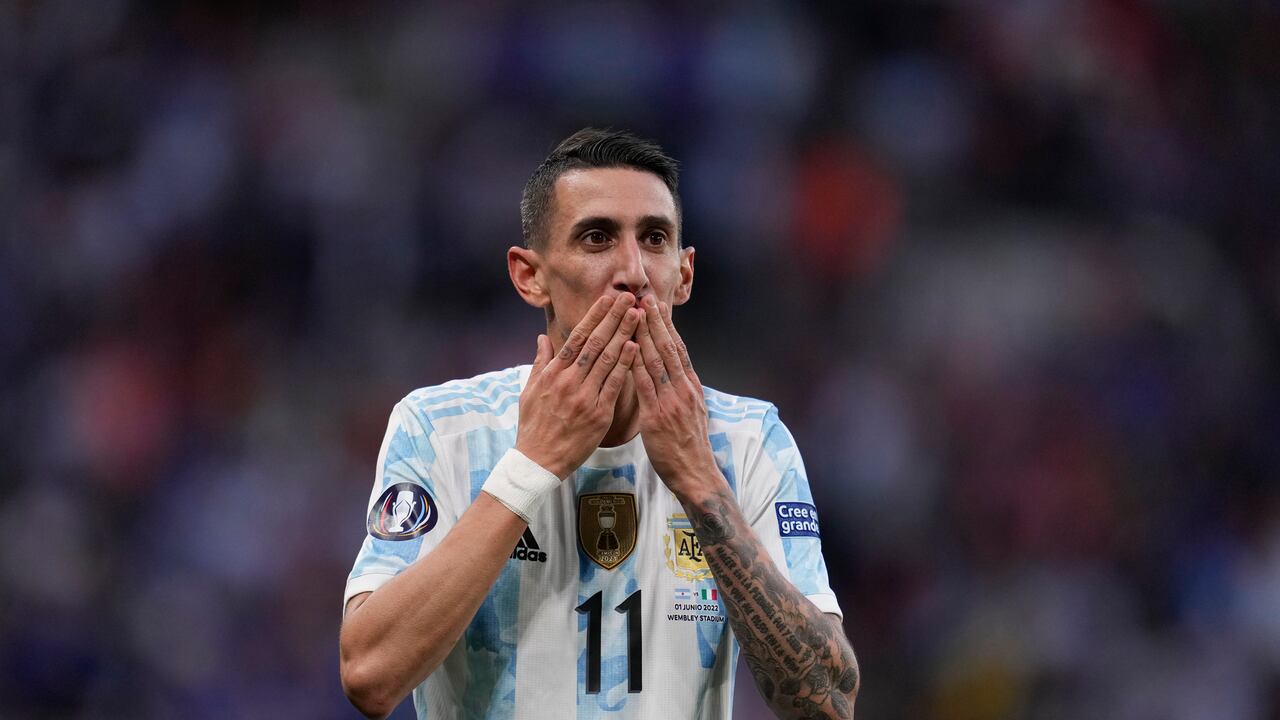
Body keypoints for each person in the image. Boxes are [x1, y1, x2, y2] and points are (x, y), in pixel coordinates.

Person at [339, 128, 860, 719]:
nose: (633, 271)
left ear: (683, 275)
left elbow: (829, 703)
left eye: (655, 239)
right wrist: (530, 467)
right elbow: (370, 676)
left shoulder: (749, 441)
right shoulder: (443, 429)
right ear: (529, 275)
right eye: (596, 238)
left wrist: (701, 483)